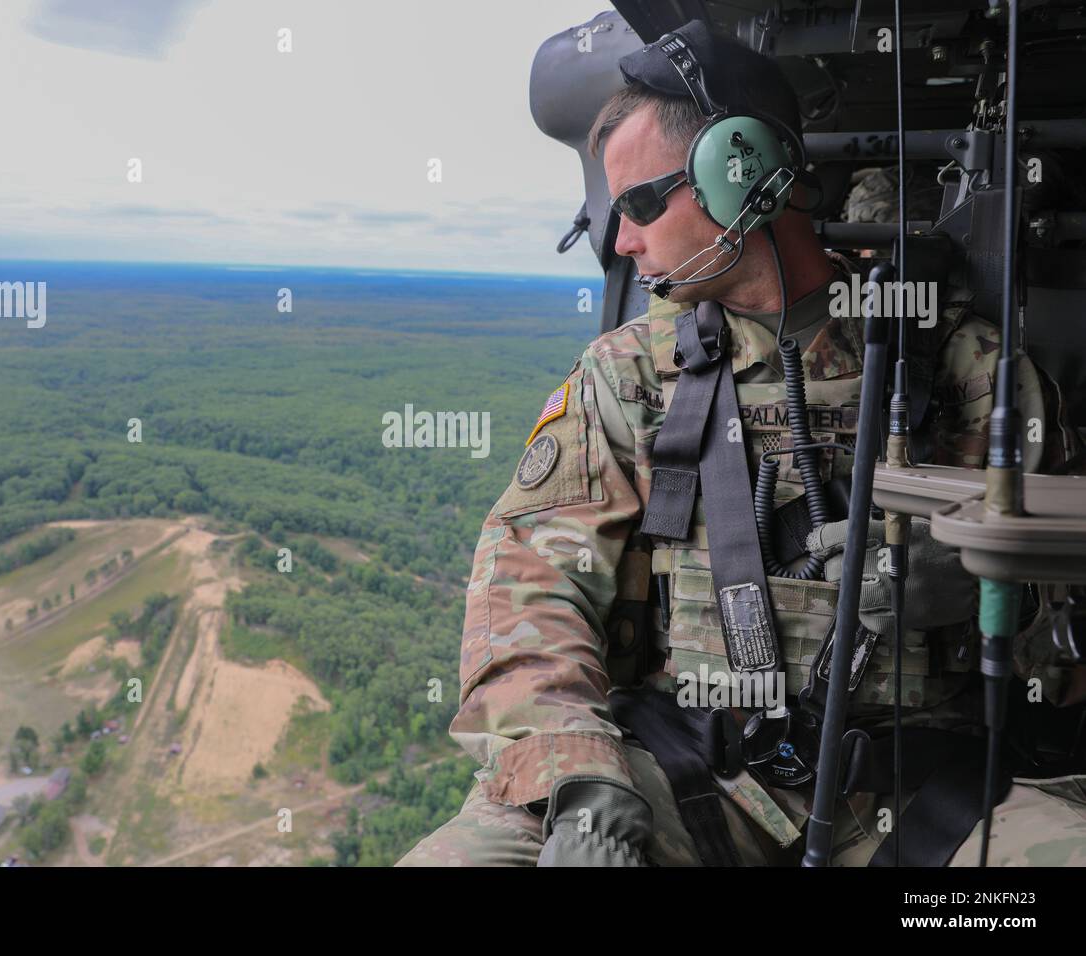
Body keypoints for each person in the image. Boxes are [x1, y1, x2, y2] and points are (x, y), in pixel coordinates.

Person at [398, 20, 1084, 867]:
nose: (622, 240)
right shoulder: (629, 376)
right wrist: (581, 780)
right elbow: (529, 591)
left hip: (931, 793)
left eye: (641, 204)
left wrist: (995, 589)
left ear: (742, 176)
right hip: (693, 776)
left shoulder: (969, 367)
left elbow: (1065, 639)